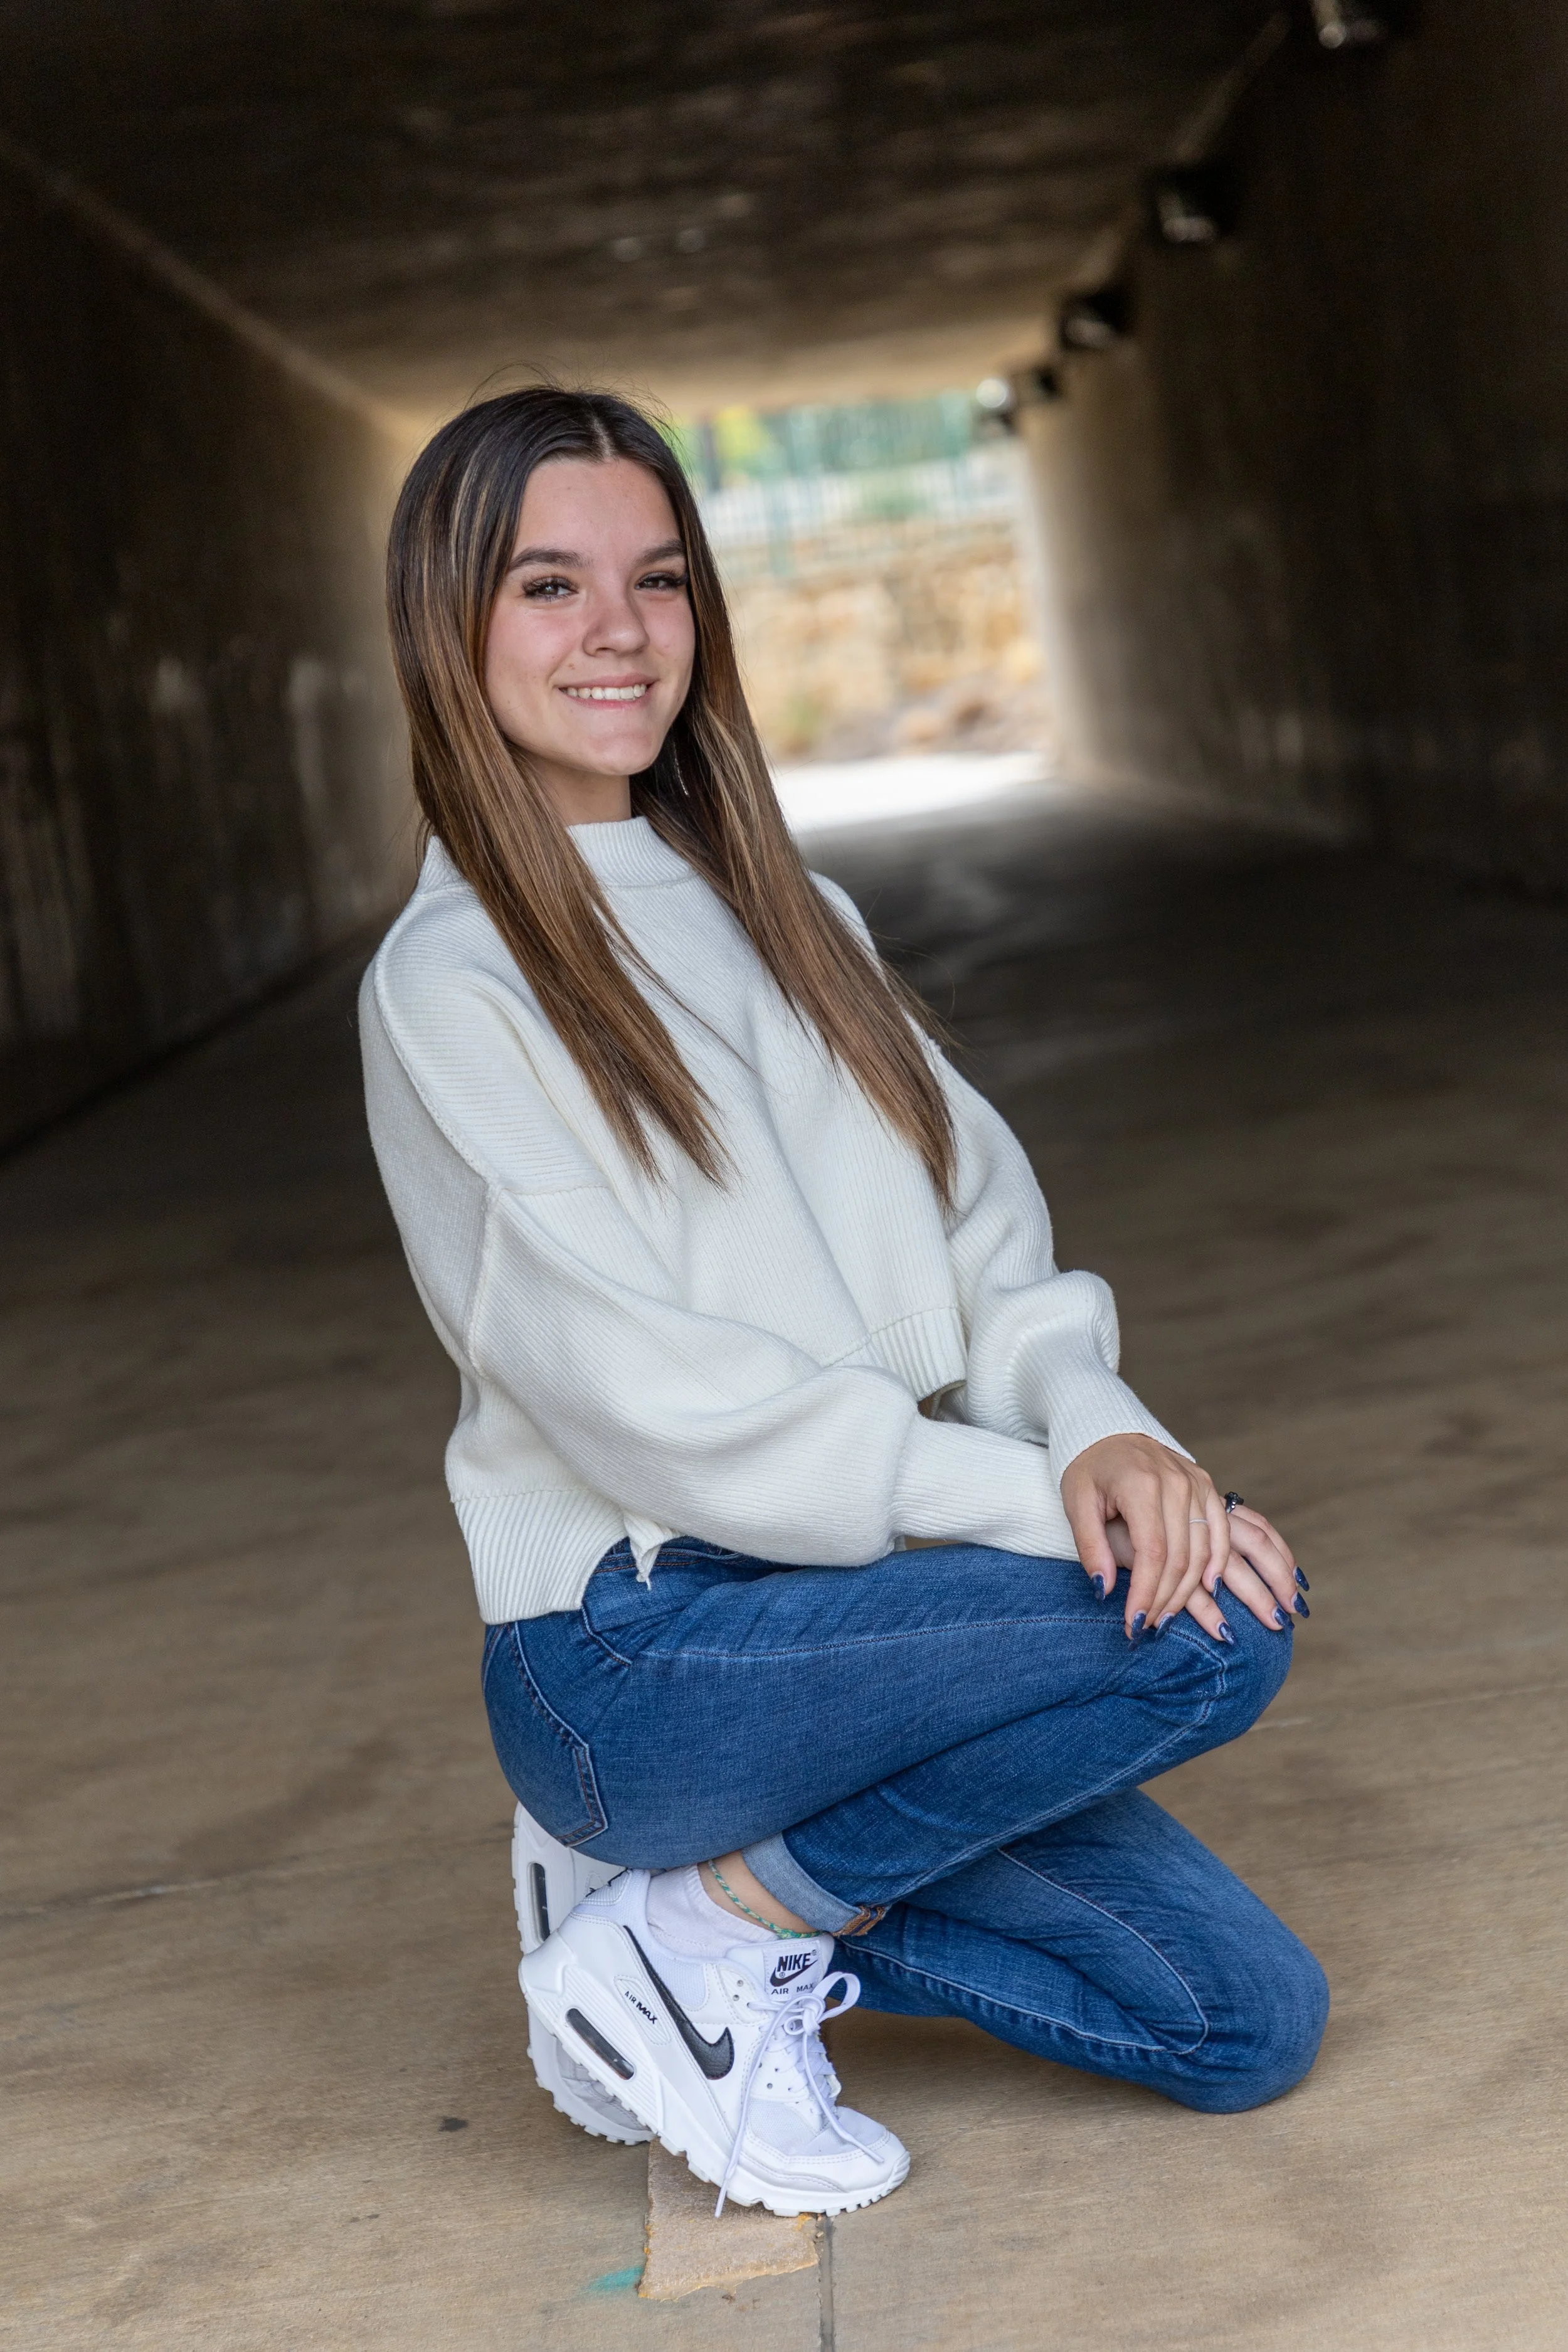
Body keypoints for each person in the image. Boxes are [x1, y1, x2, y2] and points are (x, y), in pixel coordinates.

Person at [361, 385, 1327, 2221]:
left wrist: (1102, 1424)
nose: (619, 632)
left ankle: (716, 1906)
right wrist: (1033, 1499)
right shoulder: (451, 979)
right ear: (450, 623)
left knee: (1239, 2023)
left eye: (655, 579)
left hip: (864, 1625)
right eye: (548, 586)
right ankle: (703, 1913)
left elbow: (988, 1236)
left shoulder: (790, 906)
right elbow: (653, 1402)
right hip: (643, 1650)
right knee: (1214, 1629)